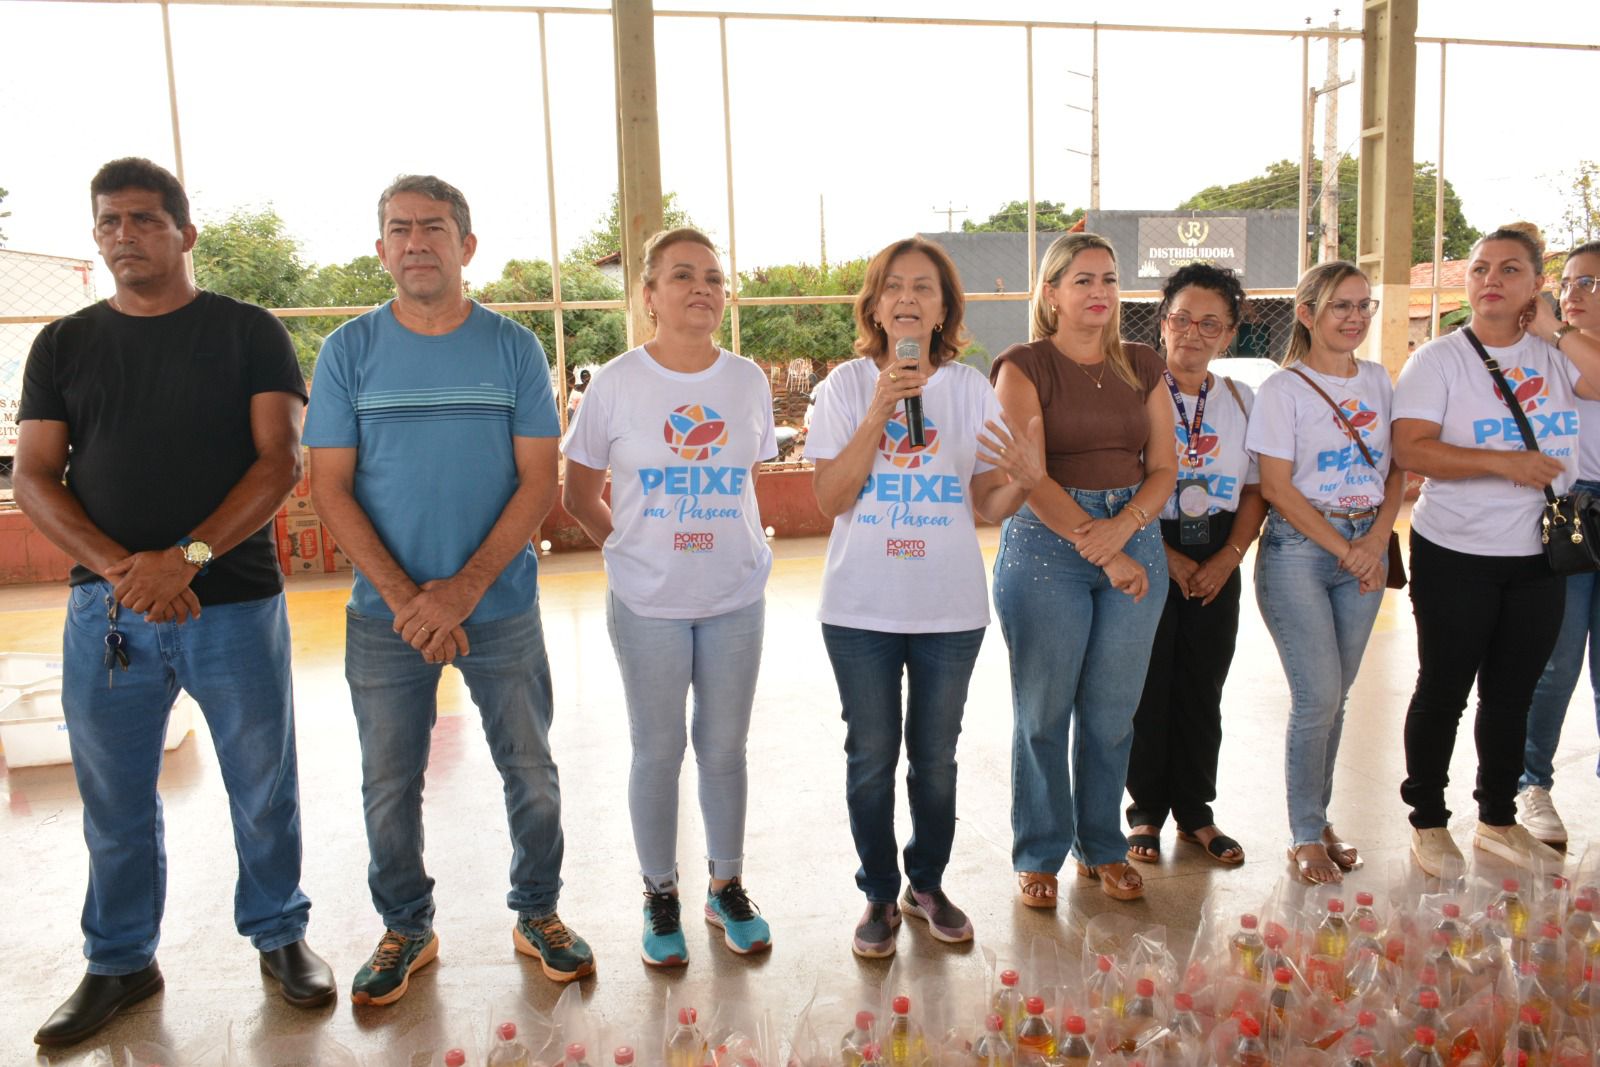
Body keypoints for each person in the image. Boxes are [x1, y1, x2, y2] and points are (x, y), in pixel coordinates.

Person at [16, 158, 333, 1047]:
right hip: (107, 613)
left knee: (260, 784)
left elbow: (280, 461)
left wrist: (186, 559)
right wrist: (126, 569)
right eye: (109, 221)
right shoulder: (64, 345)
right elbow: (36, 476)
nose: (125, 235)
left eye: (145, 220)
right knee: (112, 795)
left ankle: (281, 936)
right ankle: (119, 958)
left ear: (184, 234)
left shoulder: (247, 333)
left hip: (231, 603)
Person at [304, 175, 593, 1004]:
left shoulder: (512, 348)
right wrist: (406, 600)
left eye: (435, 227)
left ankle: (538, 912)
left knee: (530, 769)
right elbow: (330, 488)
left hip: (499, 609)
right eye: (399, 229)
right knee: (389, 781)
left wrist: (462, 591)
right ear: (381, 248)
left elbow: (540, 480)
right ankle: (406, 926)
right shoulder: (349, 352)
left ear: (467, 246)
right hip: (382, 619)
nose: (416, 241)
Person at [809, 237, 1040, 957]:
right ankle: (878, 892)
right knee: (871, 755)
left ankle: (926, 884)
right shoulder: (845, 387)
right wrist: (880, 411)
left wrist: (1026, 479)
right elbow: (829, 497)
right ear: (876, 305)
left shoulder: (969, 389)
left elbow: (982, 501)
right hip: (859, 610)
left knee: (935, 758)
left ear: (944, 311)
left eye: (925, 288)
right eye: (894, 286)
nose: (908, 298)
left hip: (949, 609)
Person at [561, 228, 776, 968]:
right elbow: (578, 491)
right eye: (682, 275)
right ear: (647, 295)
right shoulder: (617, 382)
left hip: (734, 595)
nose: (702, 289)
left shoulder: (746, 380)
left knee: (723, 748)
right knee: (658, 749)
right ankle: (659, 891)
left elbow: (747, 478)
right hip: (648, 601)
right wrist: (625, 545)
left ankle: (726, 884)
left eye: (714, 277)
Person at [1393, 224, 1600, 875]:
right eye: (1481, 268)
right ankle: (1428, 821)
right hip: (1455, 551)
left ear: (1537, 285)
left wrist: (1556, 331)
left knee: (1511, 694)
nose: (1490, 280)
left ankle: (1497, 818)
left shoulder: (1557, 352)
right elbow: (1411, 448)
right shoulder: (1440, 359)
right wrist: (1500, 463)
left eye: (1510, 270)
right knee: (1444, 688)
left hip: (1538, 557)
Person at [991, 232, 1177, 905]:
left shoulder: (1143, 364)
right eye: (1082, 280)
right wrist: (1098, 543)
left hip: (1133, 532)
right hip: (1045, 545)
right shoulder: (1022, 365)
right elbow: (1026, 475)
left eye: (1108, 279)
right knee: (1043, 710)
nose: (1099, 292)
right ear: (1050, 293)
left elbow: (1164, 468)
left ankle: (1100, 845)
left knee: (1111, 712)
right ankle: (1038, 850)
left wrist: (1123, 530)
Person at [1246, 261, 1404, 885]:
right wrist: (1347, 549)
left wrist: (1373, 540)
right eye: (1341, 305)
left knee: (1336, 701)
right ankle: (1304, 833)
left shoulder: (1380, 380)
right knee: (1316, 697)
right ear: (1308, 314)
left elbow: (1397, 467)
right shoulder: (1282, 390)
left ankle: (1320, 816)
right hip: (1301, 552)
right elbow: (1279, 490)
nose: (1356, 317)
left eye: (1364, 305)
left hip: (1365, 544)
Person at [1125, 265, 1266, 868]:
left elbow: (1259, 488)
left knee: (1202, 686)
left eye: (1211, 322)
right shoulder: (1134, 395)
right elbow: (1125, 486)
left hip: (1218, 552)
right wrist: (1168, 557)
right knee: (1147, 686)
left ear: (1228, 334)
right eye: (1182, 317)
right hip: (1148, 545)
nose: (1193, 332)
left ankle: (1196, 814)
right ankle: (1145, 813)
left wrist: (1229, 557)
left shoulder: (1241, 399)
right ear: (1162, 322)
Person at [1518, 242, 1600, 847]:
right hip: (1573, 513)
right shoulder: (1544, 353)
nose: (1574, 294)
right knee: (1557, 660)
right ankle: (1532, 783)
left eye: (1592, 284)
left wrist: (1554, 331)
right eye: (1570, 282)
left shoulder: (1563, 346)